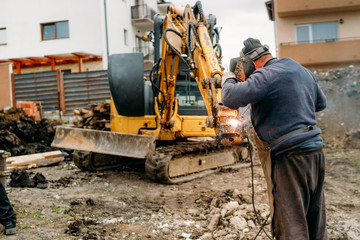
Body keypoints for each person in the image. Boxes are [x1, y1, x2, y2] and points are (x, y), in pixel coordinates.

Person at [221, 38, 328, 240]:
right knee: (314, 220)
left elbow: (230, 98)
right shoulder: (301, 70)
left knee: (291, 223)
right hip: (315, 152)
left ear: (252, 62)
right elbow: (320, 104)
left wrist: (228, 78)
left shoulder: (266, 75)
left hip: (290, 157)